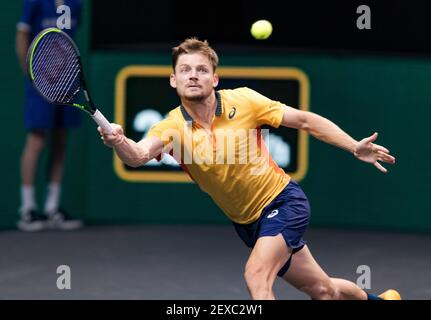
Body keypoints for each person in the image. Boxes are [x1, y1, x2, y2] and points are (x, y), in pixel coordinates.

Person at [98, 38, 399, 300]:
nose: (193, 76)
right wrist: (119, 141)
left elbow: (305, 121)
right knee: (323, 291)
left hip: (283, 202)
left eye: (201, 70)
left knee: (256, 274)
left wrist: (353, 146)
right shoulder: (171, 127)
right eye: (185, 70)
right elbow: (137, 155)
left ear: (214, 79)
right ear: (173, 80)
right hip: (248, 224)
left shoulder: (244, 100)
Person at [16, 0, 83, 232]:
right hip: (40, 81)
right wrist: (32, 75)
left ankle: (52, 208)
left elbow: (68, 40)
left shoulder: (76, 3)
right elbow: (22, 36)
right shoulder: (34, 2)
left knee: (61, 140)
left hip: (66, 81)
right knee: (37, 140)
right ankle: (28, 209)